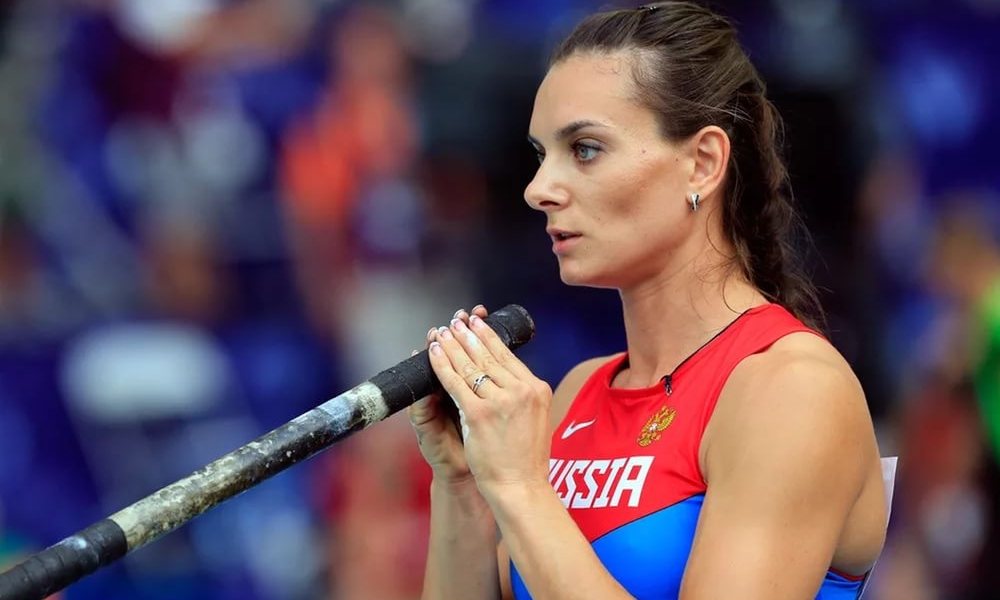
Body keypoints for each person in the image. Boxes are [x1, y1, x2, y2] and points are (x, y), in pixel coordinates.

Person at [406, 2, 889, 598]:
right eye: (540, 155)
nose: (538, 189)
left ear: (702, 164)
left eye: (585, 149)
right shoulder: (579, 392)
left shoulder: (792, 388)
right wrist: (461, 483)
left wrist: (520, 487)